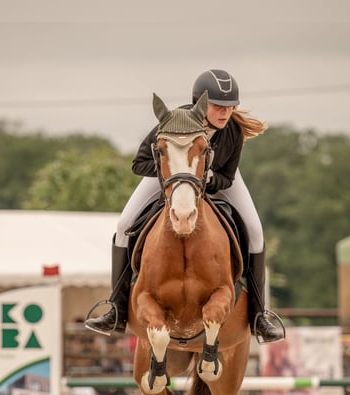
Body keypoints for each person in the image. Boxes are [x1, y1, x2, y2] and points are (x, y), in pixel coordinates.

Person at [85, 69, 283, 343]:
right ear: (199, 102)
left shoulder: (233, 131)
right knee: (123, 225)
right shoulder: (174, 120)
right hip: (169, 176)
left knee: (255, 230)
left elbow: (227, 176)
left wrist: (206, 177)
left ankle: (259, 316)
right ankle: (116, 309)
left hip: (215, 180)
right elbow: (138, 163)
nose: (225, 113)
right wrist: (176, 173)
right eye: (218, 106)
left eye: (229, 107)